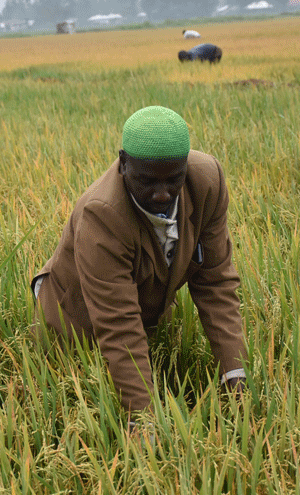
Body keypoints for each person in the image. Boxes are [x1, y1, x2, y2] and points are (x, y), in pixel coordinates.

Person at [31, 106, 248, 415]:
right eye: (147, 182)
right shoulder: (102, 214)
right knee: (88, 400)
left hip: (143, 307)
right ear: (123, 164)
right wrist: (142, 417)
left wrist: (235, 375)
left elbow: (216, 282)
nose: (162, 195)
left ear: (186, 167)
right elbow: (118, 323)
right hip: (75, 321)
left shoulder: (207, 181)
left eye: (174, 180)